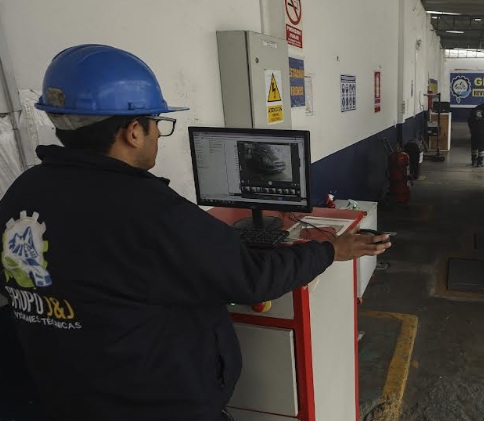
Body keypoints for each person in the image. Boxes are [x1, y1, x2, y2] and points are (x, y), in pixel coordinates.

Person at [0, 44, 391, 421]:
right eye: (157, 124)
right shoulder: (150, 211)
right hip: (156, 404)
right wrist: (329, 251)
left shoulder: (22, 193)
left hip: (65, 398)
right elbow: (253, 279)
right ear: (134, 130)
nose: (156, 135)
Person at [467, 97, 484, 167]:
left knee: (474, 146)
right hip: (482, 131)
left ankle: (473, 161)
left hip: (474, 131)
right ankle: (479, 162)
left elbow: (469, 121)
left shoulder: (474, 109)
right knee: (481, 147)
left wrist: (471, 129)